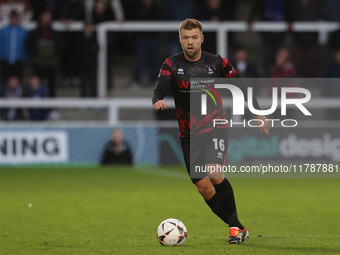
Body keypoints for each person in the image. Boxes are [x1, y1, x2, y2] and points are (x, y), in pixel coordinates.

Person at [152, 19, 270, 244]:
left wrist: (257, 111)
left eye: (194, 37)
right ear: (180, 39)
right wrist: (157, 99)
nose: (190, 42)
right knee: (204, 188)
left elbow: (241, 84)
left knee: (214, 172)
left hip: (215, 126)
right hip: (188, 135)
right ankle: (237, 225)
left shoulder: (216, 62)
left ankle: (234, 229)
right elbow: (159, 87)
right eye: (185, 37)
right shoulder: (171, 63)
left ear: (201, 39)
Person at [0, 10, 28, 83]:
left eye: (16, 18)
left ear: (18, 19)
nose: (14, 20)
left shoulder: (24, 31)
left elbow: (26, 45)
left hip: (19, 61)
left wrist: (24, 58)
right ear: (10, 19)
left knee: (18, 81)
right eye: (12, 18)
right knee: (5, 81)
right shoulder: (3, 31)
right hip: (5, 60)